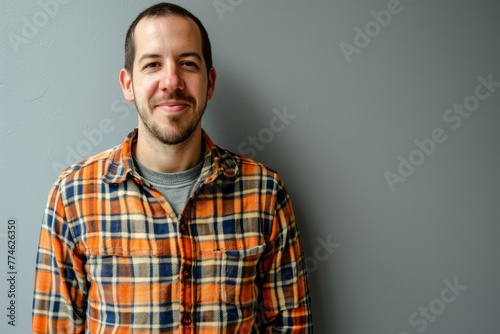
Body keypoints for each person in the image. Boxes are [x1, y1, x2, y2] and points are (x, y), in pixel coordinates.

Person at [32, 2, 312, 333]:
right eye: (152, 64)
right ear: (128, 84)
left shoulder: (265, 193)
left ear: (209, 83)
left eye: (188, 64)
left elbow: (291, 327)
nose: (171, 81)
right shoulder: (73, 195)